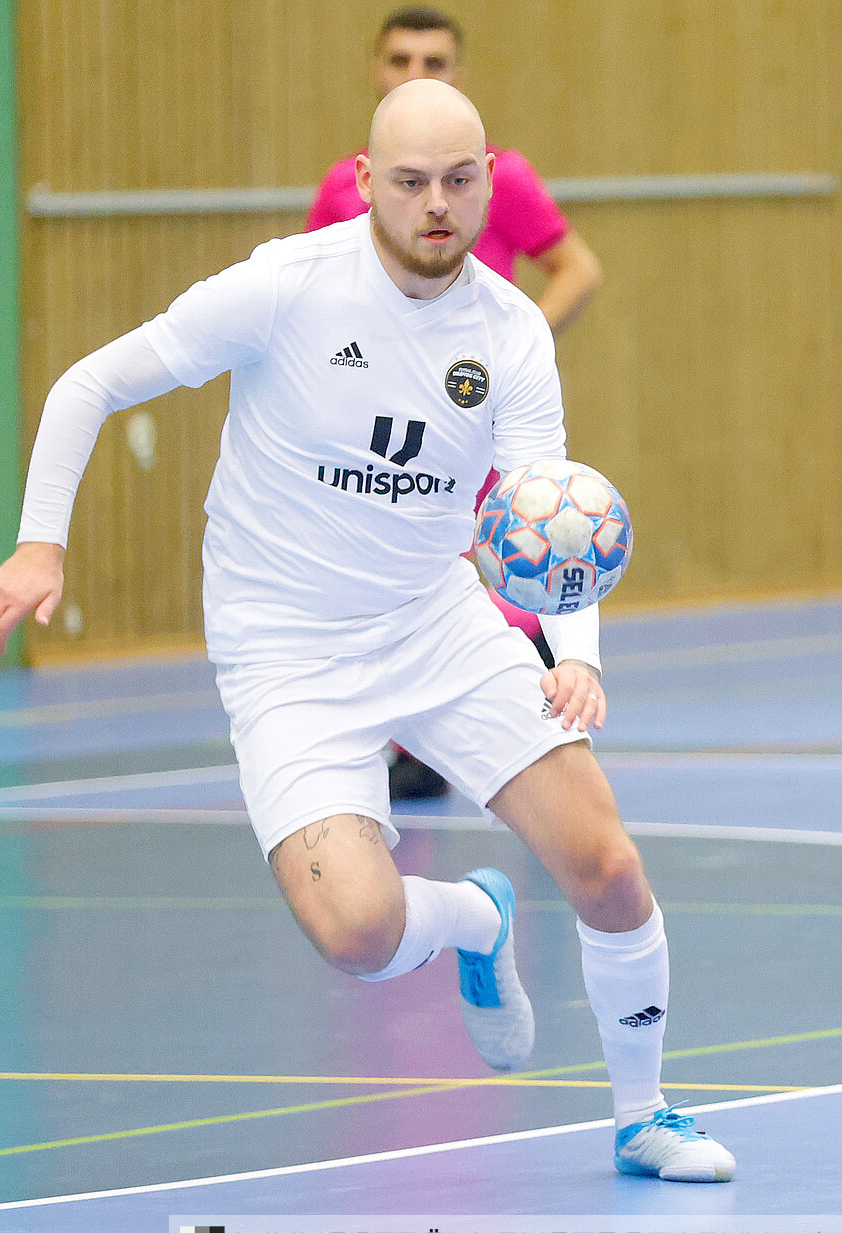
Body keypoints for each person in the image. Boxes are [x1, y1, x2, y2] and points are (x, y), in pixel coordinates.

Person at [0, 79, 733, 1184]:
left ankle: (646, 1113)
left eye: (460, 182)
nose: (437, 206)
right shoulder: (286, 288)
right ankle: (472, 917)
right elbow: (92, 382)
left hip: (432, 615)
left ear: (491, 183)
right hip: (285, 645)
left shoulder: (511, 333)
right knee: (358, 931)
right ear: (365, 182)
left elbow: (548, 515)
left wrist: (579, 656)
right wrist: (42, 543)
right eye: (410, 182)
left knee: (607, 862)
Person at [308, 5, 604, 801]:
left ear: (459, 75)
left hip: (469, 432)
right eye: (400, 61)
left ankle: (538, 689)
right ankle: (408, 734)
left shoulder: (494, 181)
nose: (416, 75)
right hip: (381, 442)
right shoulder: (342, 191)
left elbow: (577, 267)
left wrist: (501, 361)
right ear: (376, 72)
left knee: (505, 560)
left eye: (434, 62)